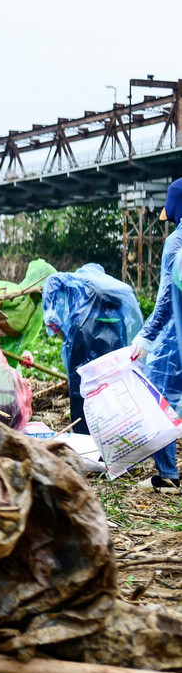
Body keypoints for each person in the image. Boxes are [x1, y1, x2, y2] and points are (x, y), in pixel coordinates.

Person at [43, 263, 143, 456]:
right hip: (113, 335)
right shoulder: (113, 291)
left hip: (83, 334)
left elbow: (52, 280)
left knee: (80, 386)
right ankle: (110, 443)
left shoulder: (78, 280)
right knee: (110, 387)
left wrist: (51, 316)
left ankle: (84, 441)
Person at [131, 178, 182, 490]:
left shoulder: (176, 243)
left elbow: (165, 300)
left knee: (160, 398)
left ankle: (168, 475)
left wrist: (146, 337)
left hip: (174, 341)